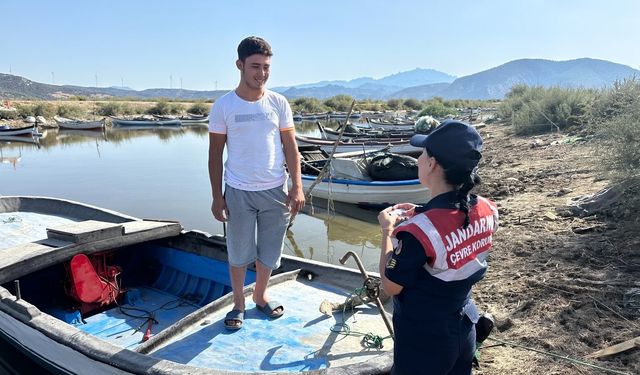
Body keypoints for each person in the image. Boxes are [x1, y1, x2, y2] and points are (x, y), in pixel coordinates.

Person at [377, 120, 499, 375]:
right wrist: (423, 211)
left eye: (422, 153)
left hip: (424, 342)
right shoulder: (488, 208)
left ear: (431, 164)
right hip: (464, 329)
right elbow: (457, 225)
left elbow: (390, 286)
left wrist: (387, 231)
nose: (419, 158)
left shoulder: (417, 232)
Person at [208, 36, 305, 331]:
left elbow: (291, 149)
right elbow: (215, 156)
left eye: (265, 67)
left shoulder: (279, 103)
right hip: (238, 191)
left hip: (275, 190)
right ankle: (238, 303)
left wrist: (297, 186)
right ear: (240, 65)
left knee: (270, 250)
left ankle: (261, 295)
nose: (261, 73)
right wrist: (217, 197)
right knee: (238, 251)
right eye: (255, 66)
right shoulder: (224, 106)